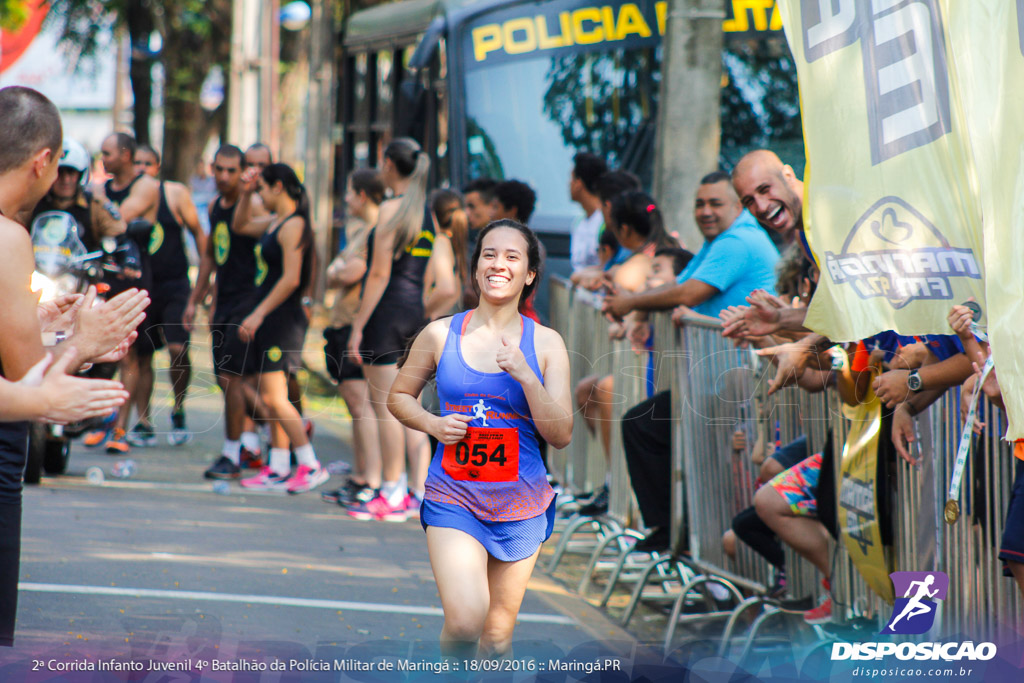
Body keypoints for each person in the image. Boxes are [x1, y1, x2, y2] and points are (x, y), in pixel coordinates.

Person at [0, 85, 148, 646]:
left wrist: (43, 326)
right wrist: (82, 346)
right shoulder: (9, 238)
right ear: (43, 162)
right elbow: (28, 381)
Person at [387, 219, 572, 658]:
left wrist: (527, 376)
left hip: (521, 503)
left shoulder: (547, 343)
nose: (498, 264)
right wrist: (432, 424)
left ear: (529, 274)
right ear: (475, 268)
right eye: (489, 254)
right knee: (467, 620)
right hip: (454, 495)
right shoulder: (440, 333)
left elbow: (561, 433)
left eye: (512, 257)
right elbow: (397, 397)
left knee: (495, 638)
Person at [611, 172, 780, 551]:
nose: (705, 211)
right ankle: (679, 536)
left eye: (715, 203)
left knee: (722, 480)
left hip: (745, 392)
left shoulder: (739, 242)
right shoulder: (720, 241)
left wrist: (631, 305)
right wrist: (642, 315)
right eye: (700, 204)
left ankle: (689, 543)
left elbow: (688, 291)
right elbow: (679, 287)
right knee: (649, 431)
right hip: (718, 386)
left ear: (738, 206)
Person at [345, 138, 436, 521]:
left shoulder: (390, 210)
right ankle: (416, 491)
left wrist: (358, 326)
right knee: (408, 407)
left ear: (387, 165)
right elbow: (431, 275)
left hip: (386, 315)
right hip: (414, 313)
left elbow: (379, 273)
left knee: (384, 409)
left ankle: (392, 489)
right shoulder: (427, 213)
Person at [233, 162, 327, 493]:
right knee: (270, 395)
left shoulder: (295, 225)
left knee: (275, 398)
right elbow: (241, 224)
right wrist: (245, 193)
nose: (259, 195)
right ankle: (278, 466)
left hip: (283, 319)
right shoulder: (277, 222)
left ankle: (310, 464)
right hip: (272, 318)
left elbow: (291, 278)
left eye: (261, 189)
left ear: (278, 187)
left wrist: (258, 313)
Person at [188, 145, 265, 480]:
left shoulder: (255, 205)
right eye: (218, 169)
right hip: (224, 302)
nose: (223, 176)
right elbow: (211, 255)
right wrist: (197, 298)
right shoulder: (217, 205)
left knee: (235, 379)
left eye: (231, 170)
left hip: (249, 303)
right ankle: (273, 434)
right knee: (227, 378)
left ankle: (232, 454)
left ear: (243, 171)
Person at [129, 144, 208, 447]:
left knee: (178, 349)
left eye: (147, 163)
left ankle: (178, 409)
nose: (141, 169)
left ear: (157, 166)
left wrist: (205, 277)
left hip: (175, 285)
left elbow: (199, 233)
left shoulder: (174, 194)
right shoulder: (127, 200)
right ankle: (144, 420)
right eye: (136, 162)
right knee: (142, 356)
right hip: (142, 288)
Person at [91, 132, 161, 455]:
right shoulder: (102, 188)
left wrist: (95, 197)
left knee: (129, 353)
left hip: (132, 277)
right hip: (102, 275)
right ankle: (101, 420)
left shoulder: (145, 186)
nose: (102, 158)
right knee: (99, 351)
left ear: (124, 153)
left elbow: (117, 221)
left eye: (107, 152)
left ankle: (121, 427)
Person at [321, 169, 384, 506]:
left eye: (349, 193)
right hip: (343, 322)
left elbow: (349, 271)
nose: (345, 200)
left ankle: (370, 479)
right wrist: (336, 271)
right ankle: (361, 475)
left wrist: (336, 271)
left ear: (362, 195)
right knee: (356, 405)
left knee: (363, 405)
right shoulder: (359, 231)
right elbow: (336, 272)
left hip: (355, 324)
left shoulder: (374, 230)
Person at [31, 138, 125, 251]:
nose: (65, 180)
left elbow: (119, 234)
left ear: (81, 175)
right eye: (59, 172)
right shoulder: (32, 202)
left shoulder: (95, 205)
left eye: (71, 173)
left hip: (82, 267)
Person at [424, 189, 468, 320]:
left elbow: (446, 289)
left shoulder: (440, 241)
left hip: (436, 323)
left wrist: (422, 313)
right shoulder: (455, 241)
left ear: (432, 214)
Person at [568, 152, 608, 273]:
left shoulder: (606, 222)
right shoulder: (578, 223)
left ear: (578, 184)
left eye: (571, 178)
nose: (569, 183)